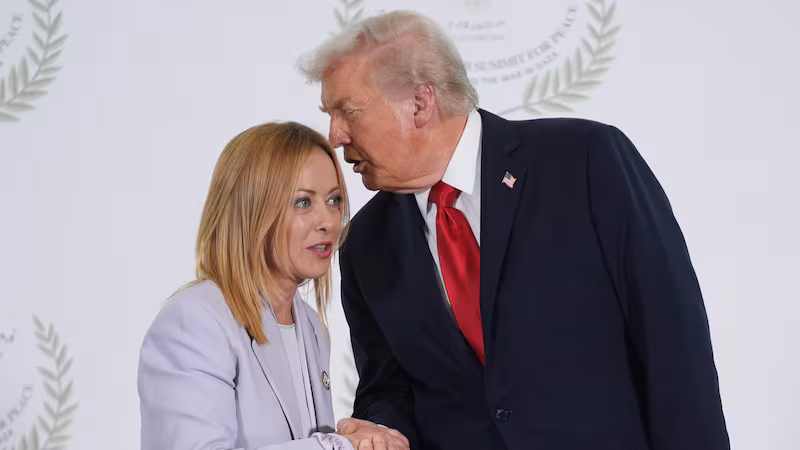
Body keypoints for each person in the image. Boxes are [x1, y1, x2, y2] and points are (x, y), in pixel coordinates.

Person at [299, 10, 730, 450]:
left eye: (347, 112)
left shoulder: (585, 161)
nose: (335, 135)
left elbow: (674, 346)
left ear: (420, 103)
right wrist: (377, 428)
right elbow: (389, 390)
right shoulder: (365, 243)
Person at [137, 122, 409, 450]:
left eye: (334, 200)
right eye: (303, 203)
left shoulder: (309, 324)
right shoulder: (195, 320)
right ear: (251, 209)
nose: (328, 221)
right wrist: (337, 446)